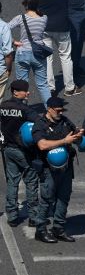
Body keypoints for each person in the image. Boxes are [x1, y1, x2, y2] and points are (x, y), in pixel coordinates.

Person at [33, 96, 83, 245]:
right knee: (47, 198)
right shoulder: (40, 124)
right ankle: (40, 229)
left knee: (64, 197)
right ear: (49, 109)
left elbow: (75, 137)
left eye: (62, 110)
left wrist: (78, 136)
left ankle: (58, 228)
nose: (60, 113)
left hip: (66, 167)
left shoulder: (65, 121)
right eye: (58, 110)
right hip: (48, 169)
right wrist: (64, 141)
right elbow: (42, 145)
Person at [1, 80, 37, 228]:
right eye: (24, 90)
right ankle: (34, 216)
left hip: (8, 149)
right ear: (15, 92)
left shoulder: (2, 106)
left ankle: (12, 216)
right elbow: (39, 122)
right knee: (31, 180)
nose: (28, 92)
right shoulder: (25, 109)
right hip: (23, 150)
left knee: (12, 182)